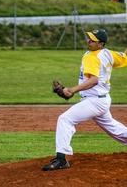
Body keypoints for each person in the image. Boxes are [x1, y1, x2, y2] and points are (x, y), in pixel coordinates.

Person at [42, 29, 127, 171]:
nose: (89, 41)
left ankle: (61, 159)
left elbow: (94, 80)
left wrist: (72, 90)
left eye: (93, 40)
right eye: (88, 38)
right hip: (101, 100)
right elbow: (124, 57)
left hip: (94, 101)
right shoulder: (108, 53)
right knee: (114, 128)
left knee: (65, 119)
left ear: (101, 43)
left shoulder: (92, 57)